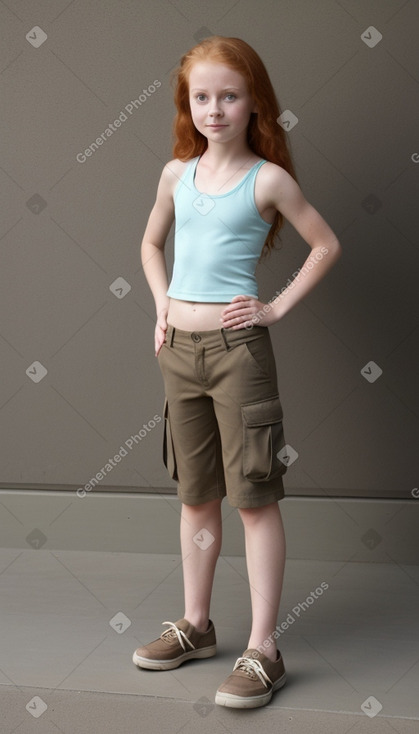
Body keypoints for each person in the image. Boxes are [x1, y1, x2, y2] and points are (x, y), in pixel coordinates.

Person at [133, 36, 342, 709]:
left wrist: (275, 305)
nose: (214, 109)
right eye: (201, 97)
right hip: (179, 357)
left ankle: (263, 649)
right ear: (186, 104)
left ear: (253, 103)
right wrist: (163, 305)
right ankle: (196, 625)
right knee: (196, 495)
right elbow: (149, 243)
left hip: (238, 356)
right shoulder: (175, 173)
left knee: (253, 496)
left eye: (228, 96)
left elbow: (324, 243)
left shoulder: (268, 179)